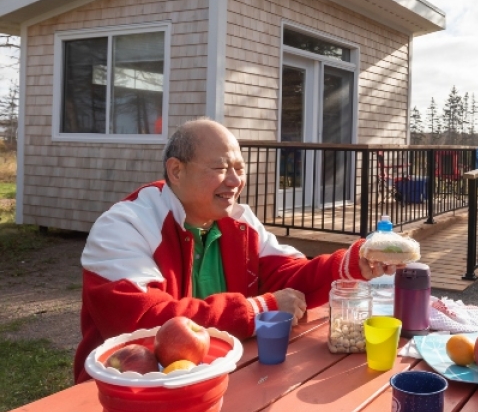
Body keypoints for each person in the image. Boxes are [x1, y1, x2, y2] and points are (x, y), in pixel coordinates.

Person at [74, 118, 394, 383]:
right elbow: (141, 322)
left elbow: (288, 277)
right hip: (128, 397)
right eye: (220, 167)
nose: (234, 181)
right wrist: (255, 311)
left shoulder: (239, 221)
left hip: (225, 376)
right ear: (176, 171)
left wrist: (353, 263)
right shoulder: (123, 226)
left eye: (239, 169)